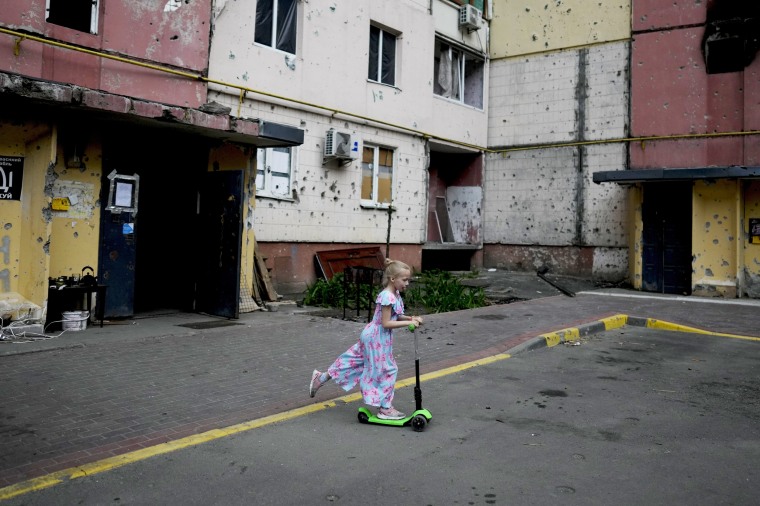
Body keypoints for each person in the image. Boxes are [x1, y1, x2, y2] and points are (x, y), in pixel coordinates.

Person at [309, 259, 423, 420]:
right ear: (392, 279)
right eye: (404, 280)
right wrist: (409, 322)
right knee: (387, 370)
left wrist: (410, 317)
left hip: (373, 336)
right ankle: (385, 408)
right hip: (377, 337)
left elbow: (395, 316)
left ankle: (320, 378)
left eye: (408, 280)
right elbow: (386, 322)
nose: (407, 283)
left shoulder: (394, 295)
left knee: (353, 360)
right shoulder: (387, 296)